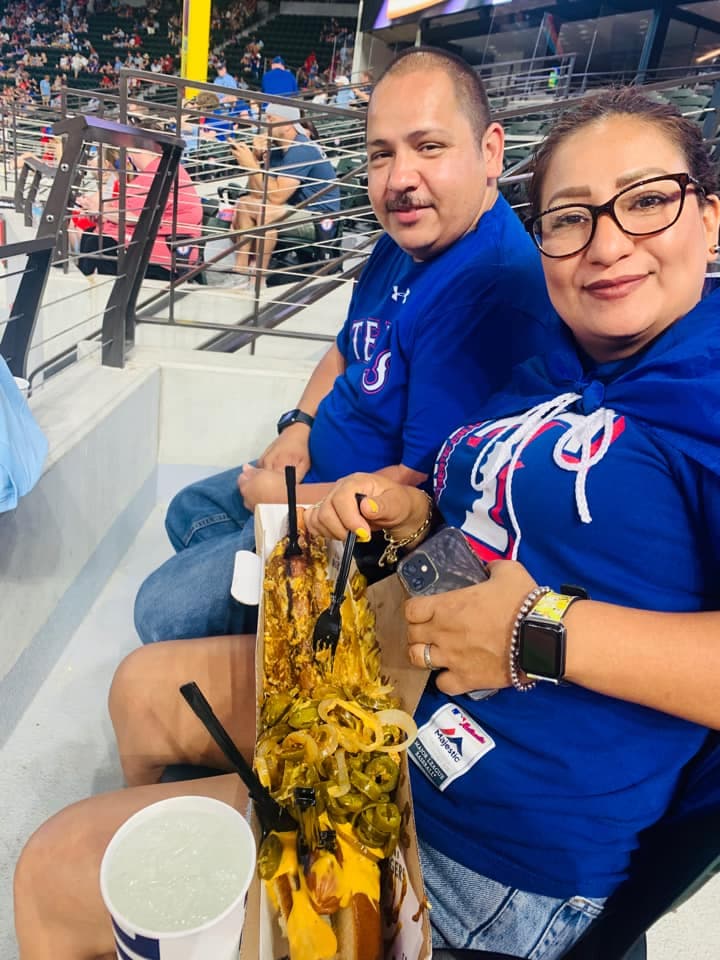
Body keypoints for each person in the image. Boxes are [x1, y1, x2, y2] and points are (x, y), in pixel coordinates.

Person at [14, 86, 720, 960]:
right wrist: (414, 514)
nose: (607, 243)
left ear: (711, 216)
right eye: (571, 217)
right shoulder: (553, 361)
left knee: (51, 871)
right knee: (143, 692)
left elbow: (539, 602)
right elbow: (489, 528)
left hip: (488, 838)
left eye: (648, 201)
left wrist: (541, 633)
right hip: (392, 692)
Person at [132, 46, 556, 644]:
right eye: (382, 154)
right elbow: (343, 351)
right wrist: (300, 426)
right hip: (318, 471)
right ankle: (272, 618)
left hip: (361, 529)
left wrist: (280, 499)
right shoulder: (408, 235)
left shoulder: (488, 288)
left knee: (161, 610)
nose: (400, 178)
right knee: (188, 510)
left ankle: (297, 631)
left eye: (428, 146)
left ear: (490, 151)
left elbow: (415, 489)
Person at [228, 101, 340, 279]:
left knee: (266, 213)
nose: (266, 125)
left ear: (287, 124)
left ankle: (258, 277)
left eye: (271, 119)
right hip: (294, 209)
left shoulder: (301, 148)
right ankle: (240, 270)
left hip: (318, 217)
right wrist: (255, 160)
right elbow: (257, 193)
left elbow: (276, 197)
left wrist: (252, 166)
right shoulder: (278, 150)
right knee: (244, 203)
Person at [77, 128, 203, 281]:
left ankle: (96, 293)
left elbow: (134, 217)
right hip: (155, 245)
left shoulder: (161, 173)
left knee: (98, 242)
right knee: (93, 236)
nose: (129, 157)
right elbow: (126, 210)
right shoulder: (158, 171)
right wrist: (98, 211)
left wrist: (100, 210)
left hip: (163, 256)